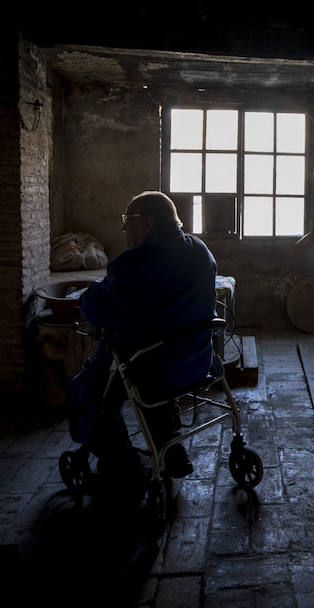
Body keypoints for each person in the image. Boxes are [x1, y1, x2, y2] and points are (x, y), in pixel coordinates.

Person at [70, 191, 219, 497]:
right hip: (195, 359)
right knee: (147, 372)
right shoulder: (200, 250)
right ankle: (170, 445)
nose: (124, 229)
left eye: (128, 221)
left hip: (153, 367)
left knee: (90, 389)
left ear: (147, 223)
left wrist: (84, 298)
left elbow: (99, 308)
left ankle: (122, 464)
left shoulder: (136, 263)